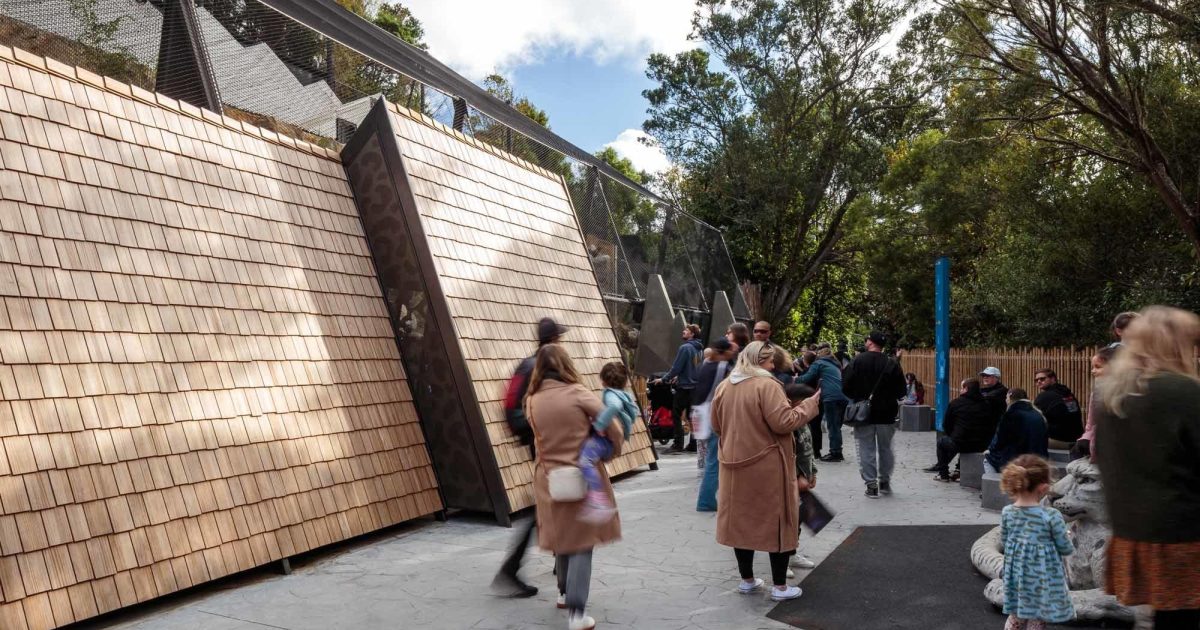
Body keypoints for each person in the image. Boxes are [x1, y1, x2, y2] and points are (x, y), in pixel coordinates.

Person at [1094, 306, 1200, 630]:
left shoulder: (1112, 395)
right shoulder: (1181, 392)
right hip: (1185, 532)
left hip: (1135, 529)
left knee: (1169, 616)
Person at [711, 341, 821, 601]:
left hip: (733, 466)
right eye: (770, 361)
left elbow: (717, 425)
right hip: (768, 467)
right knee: (779, 522)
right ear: (760, 361)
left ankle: (747, 581)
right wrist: (810, 405)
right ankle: (780, 587)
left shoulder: (725, 386)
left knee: (741, 523)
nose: (773, 366)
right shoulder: (767, 385)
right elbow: (784, 423)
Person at [525, 344, 625, 630]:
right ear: (565, 364)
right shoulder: (578, 393)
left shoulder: (531, 399)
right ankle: (577, 614)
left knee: (563, 539)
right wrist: (609, 451)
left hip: (548, 479)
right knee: (582, 542)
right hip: (582, 475)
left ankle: (562, 593)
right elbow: (614, 427)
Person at [492, 317, 566, 598]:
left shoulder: (528, 364)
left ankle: (561, 558)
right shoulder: (545, 367)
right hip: (547, 442)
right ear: (554, 340)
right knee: (547, 504)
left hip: (538, 441)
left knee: (553, 499)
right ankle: (510, 570)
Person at [999, 454, 1075, 629]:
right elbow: (1065, 547)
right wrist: (1067, 535)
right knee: (1038, 617)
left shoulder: (1008, 512)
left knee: (1016, 616)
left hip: (1017, 577)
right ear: (1044, 487)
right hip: (1042, 579)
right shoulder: (1051, 515)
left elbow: (1005, 540)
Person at [842, 332, 906, 498]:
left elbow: (846, 385)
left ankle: (871, 485)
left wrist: (858, 396)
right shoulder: (891, 363)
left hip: (863, 414)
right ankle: (885, 480)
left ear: (870, 342)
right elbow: (901, 391)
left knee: (865, 448)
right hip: (887, 414)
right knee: (886, 448)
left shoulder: (857, 361)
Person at [577, 362, 638, 524]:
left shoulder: (611, 395)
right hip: (610, 440)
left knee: (585, 460)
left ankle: (598, 500)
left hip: (605, 439)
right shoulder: (623, 394)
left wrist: (599, 425)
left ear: (603, 380)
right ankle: (595, 498)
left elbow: (613, 407)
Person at [694, 338, 736, 511]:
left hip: (700, 413)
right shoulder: (723, 368)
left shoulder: (704, 366)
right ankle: (706, 501)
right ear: (724, 352)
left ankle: (708, 499)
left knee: (711, 458)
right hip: (715, 416)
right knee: (714, 460)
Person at [931, 378, 997, 482]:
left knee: (942, 442)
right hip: (981, 444)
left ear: (966, 389)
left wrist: (953, 435)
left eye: (962, 388)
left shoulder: (956, 403)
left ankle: (943, 474)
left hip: (960, 443)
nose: (960, 390)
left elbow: (946, 424)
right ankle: (958, 470)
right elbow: (991, 424)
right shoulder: (986, 404)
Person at [785, 383, 819, 570]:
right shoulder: (788, 423)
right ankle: (784, 557)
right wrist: (797, 476)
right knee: (786, 520)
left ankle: (792, 553)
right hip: (791, 478)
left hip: (803, 477)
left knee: (798, 517)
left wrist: (812, 471)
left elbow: (808, 449)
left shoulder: (803, 421)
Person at [657, 324, 704, 452]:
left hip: (685, 387)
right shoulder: (700, 349)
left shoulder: (685, 348)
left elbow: (676, 367)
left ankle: (678, 443)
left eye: (686, 330)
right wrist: (680, 376)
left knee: (676, 414)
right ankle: (693, 444)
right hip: (696, 387)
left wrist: (664, 379)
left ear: (692, 334)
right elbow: (695, 367)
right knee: (692, 416)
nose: (683, 331)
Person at [799, 343, 848, 463]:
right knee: (836, 426)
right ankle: (837, 451)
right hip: (842, 396)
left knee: (832, 426)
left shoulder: (819, 363)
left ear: (819, 354)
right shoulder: (835, 364)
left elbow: (807, 378)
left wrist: (794, 379)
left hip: (830, 397)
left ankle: (835, 453)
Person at [984, 389, 1049, 473]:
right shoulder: (1039, 415)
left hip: (1018, 462)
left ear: (1010, 398)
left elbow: (998, 442)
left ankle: (994, 485)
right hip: (1039, 460)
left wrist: (989, 450)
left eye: (1006, 398)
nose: (1005, 400)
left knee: (987, 459)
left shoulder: (1011, 415)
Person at [1071, 345, 1117, 461]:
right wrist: (1085, 438)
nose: (1093, 371)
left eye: (1098, 367)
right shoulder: (1096, 392)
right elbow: (1091, 422)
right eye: (1093, 367)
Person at [1032, 369, 1083, 449]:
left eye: (1042, 379)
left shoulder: (1044, 397)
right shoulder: (1067, 394)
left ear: (1052, 379)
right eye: (1036, 380)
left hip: (1060, 440)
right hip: (1077, 438)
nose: (1039, 381)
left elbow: (1033, 419)